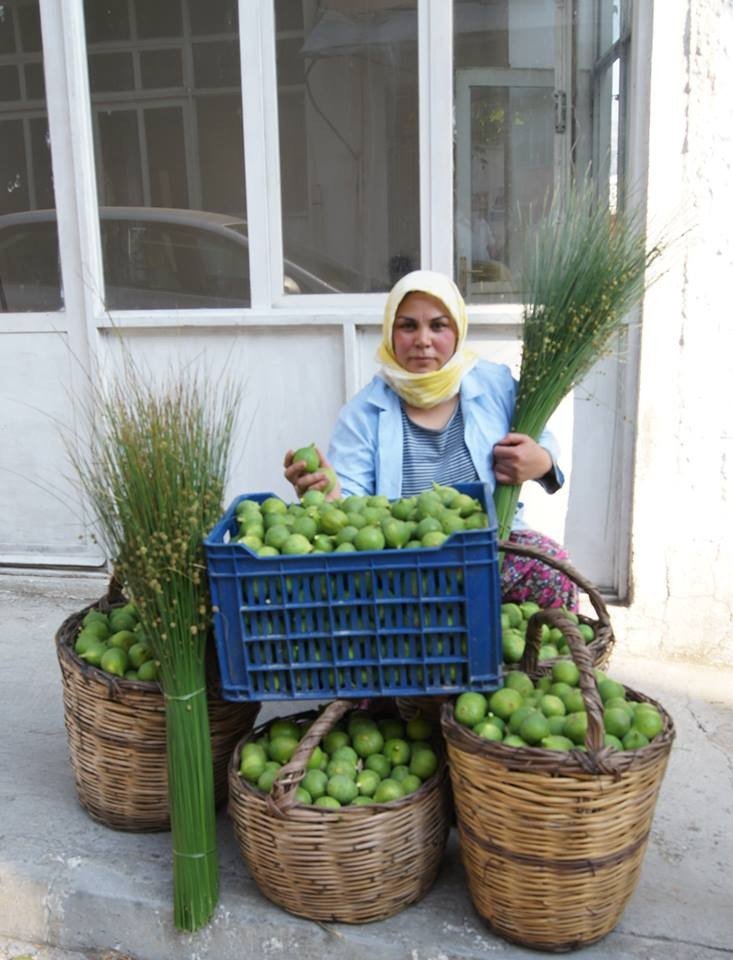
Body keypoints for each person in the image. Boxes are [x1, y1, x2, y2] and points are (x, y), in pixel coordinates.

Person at [284, 269, 577, 609]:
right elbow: (352, 512)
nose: (423, 339)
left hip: (492, 550)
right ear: (390, 333)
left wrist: (541, 461)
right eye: (408, 326)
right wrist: (325, 492)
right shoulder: (362, 413)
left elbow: (541, 440)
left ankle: (529, 662)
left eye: (438, 325)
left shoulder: (495, 386)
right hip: (404, 565)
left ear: (458, 331)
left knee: (554, 573)